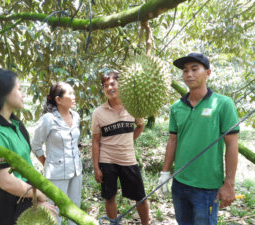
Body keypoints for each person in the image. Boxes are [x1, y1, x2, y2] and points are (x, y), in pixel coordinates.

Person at [158, 53, 239, 225]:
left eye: (195, 69)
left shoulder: (223, 104)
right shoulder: (176, 107)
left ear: (208, 73)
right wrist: (165, 173)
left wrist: (229, 184)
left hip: (207, 187)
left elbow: (232, 144)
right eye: (185, 70)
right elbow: (173, 140)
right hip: (179, 183)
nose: (189, 74)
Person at [0, 68, 56, 225]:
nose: (23, 94)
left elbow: (25, 167)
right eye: (19, 89)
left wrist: (36, 199)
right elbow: (6, 181)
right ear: (3, 92)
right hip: (6, 206)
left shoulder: (16, 125)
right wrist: (38, 195)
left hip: (25, 199)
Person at [91, 70, 149, 225]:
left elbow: (140, 125)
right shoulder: (98, 112)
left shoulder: (132, 106)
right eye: (105, 85)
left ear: (120, 85)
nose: (109, 88)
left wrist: (129, 141)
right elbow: (95, 141)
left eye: (112, 84)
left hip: (128, 158)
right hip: (107, 159)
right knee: (109, 196)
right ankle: (114, 223)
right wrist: (96, 167)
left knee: (140, 197)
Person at [31, 82, 82, 225]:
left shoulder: (76, 116)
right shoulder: (48, 119)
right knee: (54, 213)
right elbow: (35, 145)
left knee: (75, 210)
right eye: (70, 94)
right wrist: (46, 162)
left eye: (73, 93)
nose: (74, 96)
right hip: (56, 173)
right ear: (58, 100)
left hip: (77, 171)